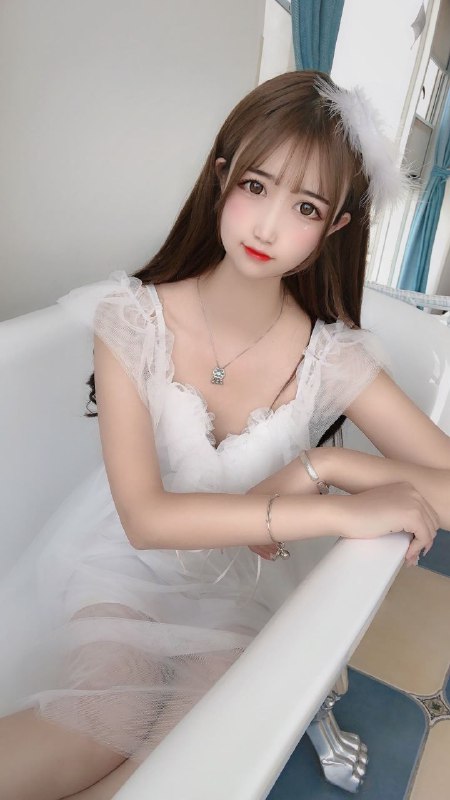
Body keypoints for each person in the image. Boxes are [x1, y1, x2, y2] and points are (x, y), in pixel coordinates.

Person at [1, 70, 449, 800]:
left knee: (180, 760)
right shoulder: (132, 319)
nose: (268, 227)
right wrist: (333, 507)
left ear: (335, 227)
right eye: (255, 186)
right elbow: (145, 520)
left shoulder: (330, 360)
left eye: (304, 207)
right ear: (221, 178)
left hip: (239, 590)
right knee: (101, 720)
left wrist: (330, 465)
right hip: (126, 568)